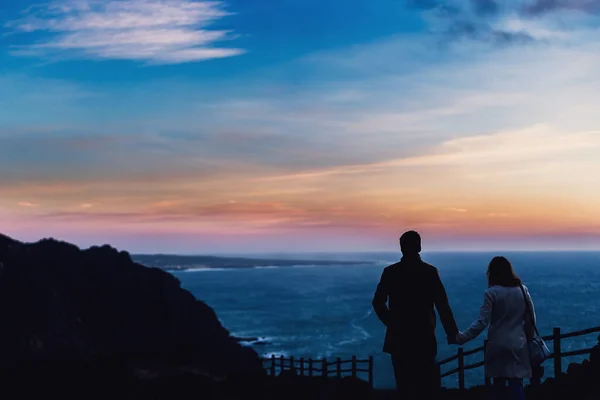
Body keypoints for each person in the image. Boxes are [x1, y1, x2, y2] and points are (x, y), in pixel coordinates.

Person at [372, 231, 459, 400]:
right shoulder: (430, 272)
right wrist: (452, 333)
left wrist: (392, 323)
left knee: (404, 386)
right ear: (419, 246)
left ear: (401, 248)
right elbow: (442, 306)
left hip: (398, 338)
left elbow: (378, 303)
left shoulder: (390, 272)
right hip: (424, 336)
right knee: (425, 386)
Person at [456, 256, 536, 400]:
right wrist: (528, 338)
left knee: (498, 385)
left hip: (497, 344)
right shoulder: (522, 290)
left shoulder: (491, 293)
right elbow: (531, 320)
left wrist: (462, 337)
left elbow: (482, 322)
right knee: (516, 383)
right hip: (518, 344)